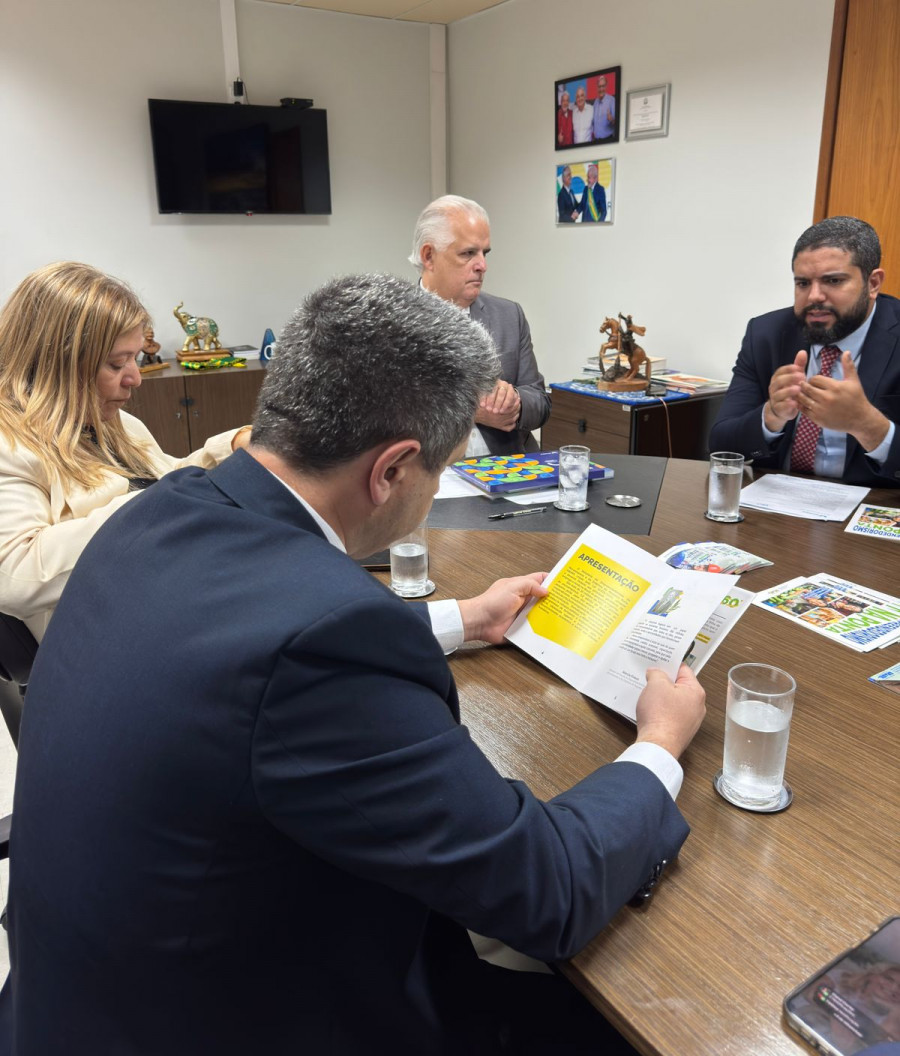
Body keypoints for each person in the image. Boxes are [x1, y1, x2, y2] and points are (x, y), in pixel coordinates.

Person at [0, 274, 707, 1056]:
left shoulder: (156, 513)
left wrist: (461, 618)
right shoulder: (323, 643)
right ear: (392, 471)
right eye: (439, 474)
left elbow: (247, 639)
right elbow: (547, 888)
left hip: (75, 1002)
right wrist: (658, 747)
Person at [0, 262, 251, 641]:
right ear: (56, 364)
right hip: (112, 643)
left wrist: (230, 449)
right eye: (116, 363)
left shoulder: (113, 423)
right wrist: (150, 507)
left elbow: (170, 479)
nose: (134, 378)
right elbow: (15, 576)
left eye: (134, 358)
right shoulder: (10, 443)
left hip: (179, 602)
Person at [708, 217, 900, 487]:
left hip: (871, 510)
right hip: (778, 508)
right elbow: (721, 445)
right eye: (803, 283)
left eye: (833, 281)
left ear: (873, 283)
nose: (814, 297)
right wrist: (771, 416)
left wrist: (867, 425)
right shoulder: (766, 334)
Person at [409, 194, 551, 455]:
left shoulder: (509, 315)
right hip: (430, 478)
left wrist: (515, 404)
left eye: (484, 253)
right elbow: (384, 413)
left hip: (507, 473)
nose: (482, 266)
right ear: (429, 257)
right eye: (468, 253)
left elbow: (541, 402)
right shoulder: (392, 323)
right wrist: (472, 409)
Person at [592, 75, 616, 141]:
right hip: (596, 140)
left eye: (603, 86)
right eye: (599, 86)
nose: (601, 89)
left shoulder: (612, 100)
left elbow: (617, 123)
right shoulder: (595, 102)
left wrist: (611, 119)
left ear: (606, 86)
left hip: (608, 139)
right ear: (597, 87)